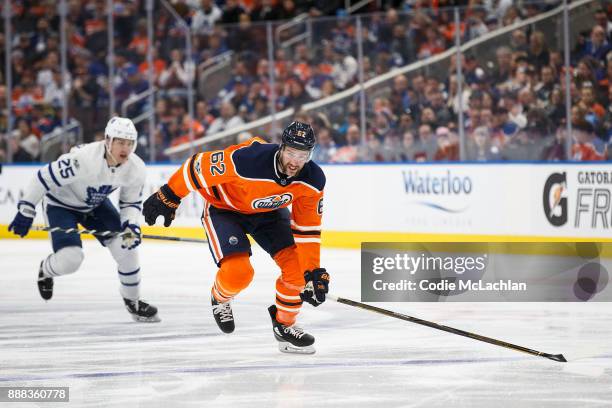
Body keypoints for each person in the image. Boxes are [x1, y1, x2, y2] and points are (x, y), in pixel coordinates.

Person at [142, 121, 330, 354]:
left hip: (268, 213)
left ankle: (284, 326)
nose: (295, 162)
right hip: (225, 209)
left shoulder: (313, 179)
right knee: (239, 273)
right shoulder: (248, 160)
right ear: (281, 147)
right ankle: (220, 298)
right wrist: (169, 195)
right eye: (291, 152)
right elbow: (197, 166)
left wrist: (313, 271)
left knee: (298, 271)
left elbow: (307, 229)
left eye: (302, 156)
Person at [8, 117, 160, 323]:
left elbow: (130, 203)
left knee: (127, 249)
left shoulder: (135, 167)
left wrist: (130, 225)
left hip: (94, 204)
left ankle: (133, 302)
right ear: (108, 140)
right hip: (61, 204)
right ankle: (46, 269)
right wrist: (26, 209)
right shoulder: (83, 159)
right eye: (120, 142)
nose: (125, 148)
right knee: (71, 260)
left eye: (129, 143)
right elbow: (43, 177)